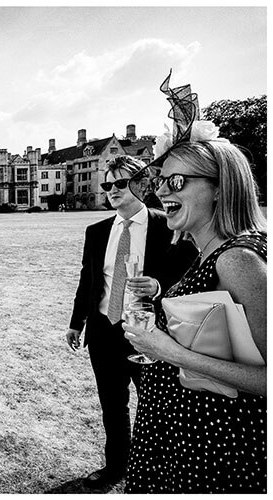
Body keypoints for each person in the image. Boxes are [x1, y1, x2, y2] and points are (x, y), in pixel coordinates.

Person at [122, 136, 266, 491]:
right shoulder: (209, 252)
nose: (161, 193)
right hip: (185, 436)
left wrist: (166, 351)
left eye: (177, 182)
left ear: (220, 187)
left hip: (211, 449)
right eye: (160, 182)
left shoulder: (238, 260)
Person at [64, 155, 197, 489]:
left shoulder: (168, 225)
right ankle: (116, 468)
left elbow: (190, 273)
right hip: (104, 330)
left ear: (141, 184)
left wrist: (159, 286)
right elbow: (88, 278)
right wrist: (76, 323)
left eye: (121, 184)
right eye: (108, 185)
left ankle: (161, 471)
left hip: (149, 334)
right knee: (113, 405)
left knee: (156, 407)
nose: (112, 191)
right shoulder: (96, 231)